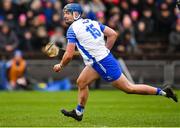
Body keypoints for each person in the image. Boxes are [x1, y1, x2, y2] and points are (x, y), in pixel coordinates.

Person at [53, 3, 178, 121]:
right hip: (98, 61)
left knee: (129, 88)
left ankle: (164, 92)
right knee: (81, 82)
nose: (65, 15)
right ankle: (78, 112)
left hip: (102, 62)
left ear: (76, 14)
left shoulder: (72, 29)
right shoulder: (92, 22)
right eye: (64, 13)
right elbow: (112, 34)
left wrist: (61, 65)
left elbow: (68, 55)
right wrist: (105, 50)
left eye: (68, 13)